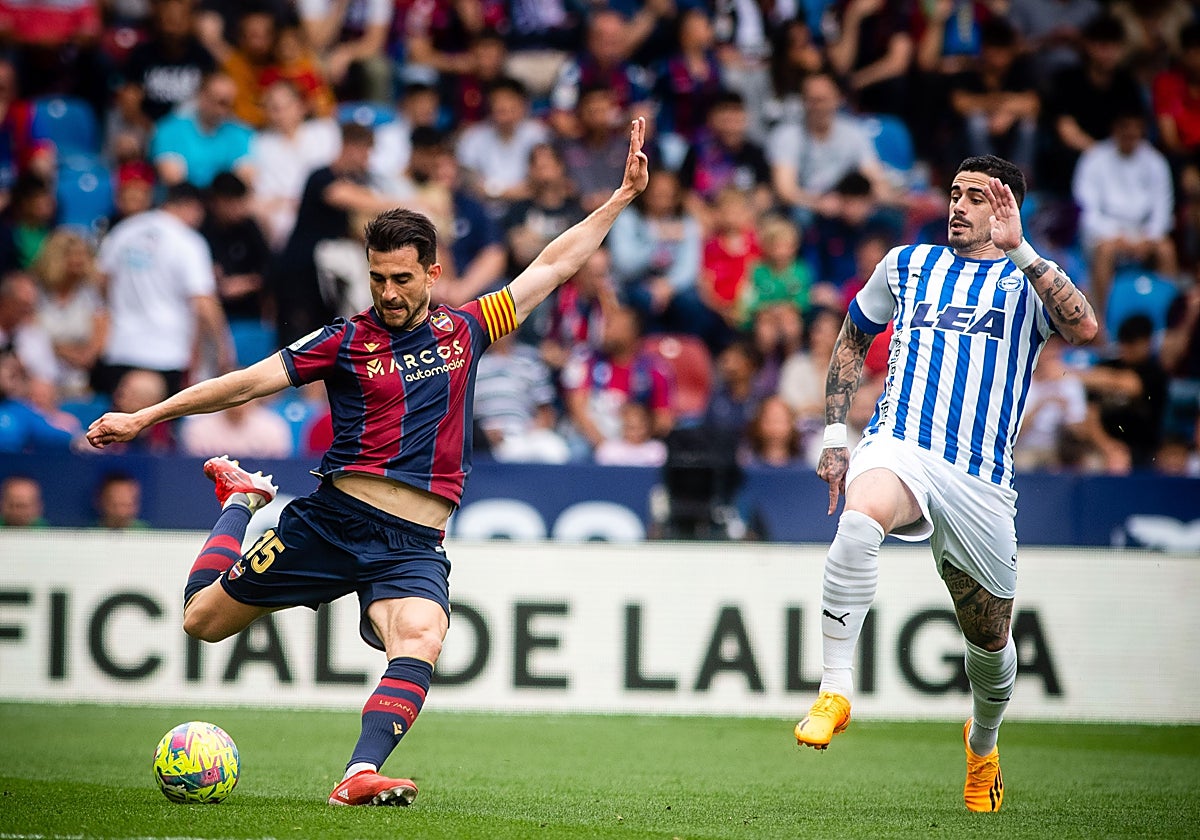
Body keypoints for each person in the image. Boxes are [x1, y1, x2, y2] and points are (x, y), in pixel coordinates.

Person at [85, 118, 650, 807]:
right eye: (378, 277)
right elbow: (245, 383)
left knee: (422, 636)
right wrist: (146, 416)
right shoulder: (344, 341)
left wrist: (619, 199)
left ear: (433, 273)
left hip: (412, 544)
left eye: (402, 278)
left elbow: (555, 264)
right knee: (199, 621)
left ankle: (357, 775)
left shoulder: (467, 329)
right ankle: (239, 501)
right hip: (331, 523)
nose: (388, 292)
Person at [792, 154, 1098, 813]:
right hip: (900, 444)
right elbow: (852, 338)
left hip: (982, 482)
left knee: (989, 644)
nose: (958, 206)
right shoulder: (907, 265)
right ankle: (835, 689)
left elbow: (1084, 327)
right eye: (954, 194)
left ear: (1006, 210)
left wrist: (1026, 253)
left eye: (975, 198)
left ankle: (982, 743)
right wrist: (836, 435)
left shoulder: (1028, 284)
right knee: (857, 523)